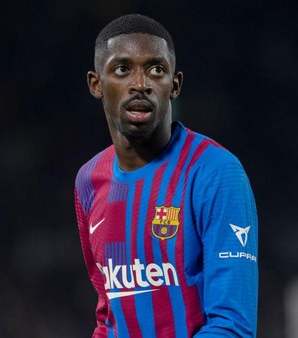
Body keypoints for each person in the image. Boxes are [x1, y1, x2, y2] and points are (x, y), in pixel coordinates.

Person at [74, 14, 258, 337]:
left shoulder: (215, 173)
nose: (140, 83)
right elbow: (108, 316)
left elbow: (232, 327)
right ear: (96, 84)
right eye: (122, 69)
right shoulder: (88, 182)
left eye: (156, 69)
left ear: (174, 85)